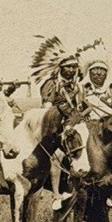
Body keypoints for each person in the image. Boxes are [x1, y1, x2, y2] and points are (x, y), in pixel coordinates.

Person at [38, 48, 86, 212]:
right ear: (61, 68)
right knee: (58, 155)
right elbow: (47, 108)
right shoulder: (52, 84)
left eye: (74, 67)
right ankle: (56, 195)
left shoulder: (78, 86)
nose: (71, 70)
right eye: (68, 67)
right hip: (54, 126)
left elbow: (82, 107)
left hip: (74, 124)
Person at [79, 43, 112, 121]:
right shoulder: (82, 88)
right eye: (95, 69)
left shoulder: (110, 89)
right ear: (89, 72)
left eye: (102, 70)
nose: (99, 73)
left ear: (106, 73)